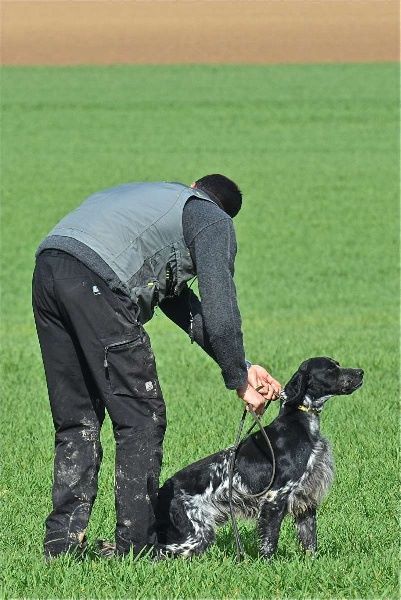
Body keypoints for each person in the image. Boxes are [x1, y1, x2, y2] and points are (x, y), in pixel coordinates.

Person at [32, 174, 281, 559]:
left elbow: (185, 308)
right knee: (141, 418)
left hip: (50, 267)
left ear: (195, 184)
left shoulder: (161, 201)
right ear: (223, 211)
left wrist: (241, 365)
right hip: (98, 282)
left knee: (77, 421)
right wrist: (237, 381)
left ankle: (60, 546)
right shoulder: (212, 218)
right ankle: (135, 549)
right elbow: (220, 310)